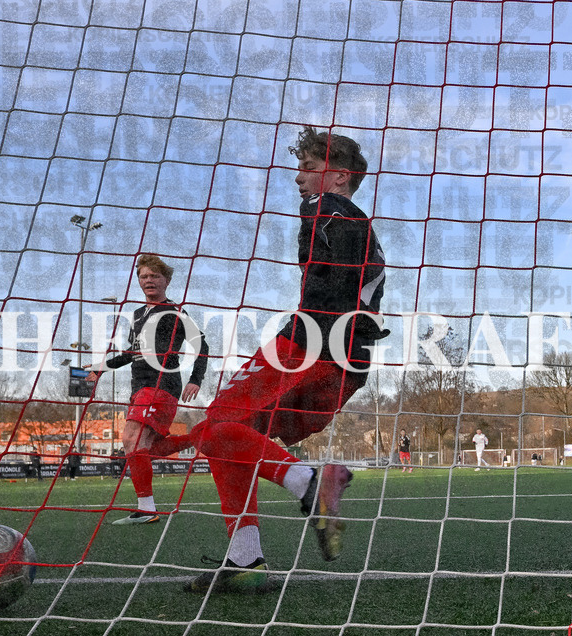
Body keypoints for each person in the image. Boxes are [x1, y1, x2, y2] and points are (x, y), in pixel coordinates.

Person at [137, 126, 387, 594]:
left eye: (308, 168)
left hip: (309, 343)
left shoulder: (324, 208)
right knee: (230, 437)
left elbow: (327, 288)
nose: (298, 178)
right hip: (348, 359)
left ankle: (310, 482)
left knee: (217, 426)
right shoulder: (364, 228)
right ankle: (246, 555)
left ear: (337, 177)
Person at [86, 254, 209, 525]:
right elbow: (132, 352)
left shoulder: (175, 312)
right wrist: (101, 368)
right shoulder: (138, 314)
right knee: (145, 447)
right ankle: (201, 435)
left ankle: (147, 509)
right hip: (139, 386)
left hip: (162, 383)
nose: (149, 280)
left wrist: (195, 379)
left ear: (166, 280)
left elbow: (202, 345)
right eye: (144, 276)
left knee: (131, 438)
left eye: (154, 276)